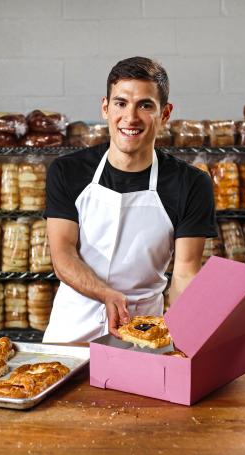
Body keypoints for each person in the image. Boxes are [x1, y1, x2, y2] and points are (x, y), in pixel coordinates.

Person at [42, 56, 217, 343]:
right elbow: (63, 255)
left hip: (143, 330)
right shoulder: (68, 171)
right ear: (105, 107)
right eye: (121, 103)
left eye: (145, 105)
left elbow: (185, 273)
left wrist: (187, 336)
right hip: (73, 327)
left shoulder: (191, 183)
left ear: (165, 113)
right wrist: (106, 294)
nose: (131, 117)